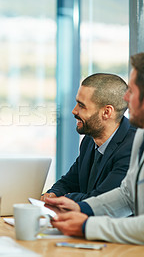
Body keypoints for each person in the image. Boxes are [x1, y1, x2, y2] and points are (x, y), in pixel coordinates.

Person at [45, 52, 144, 245]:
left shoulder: (131, 139)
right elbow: (127, 195)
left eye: (131, 91)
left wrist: (85, 226)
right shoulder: (141, 134)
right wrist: (83, 209)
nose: (125, 98)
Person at [41, 73, 136, 202]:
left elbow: (101, 201)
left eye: (81, 106)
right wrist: (52, 194)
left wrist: (64, 198)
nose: (74, 111)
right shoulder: (90, 140)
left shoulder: (133, 147)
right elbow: (69, 181)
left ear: (106, 112)